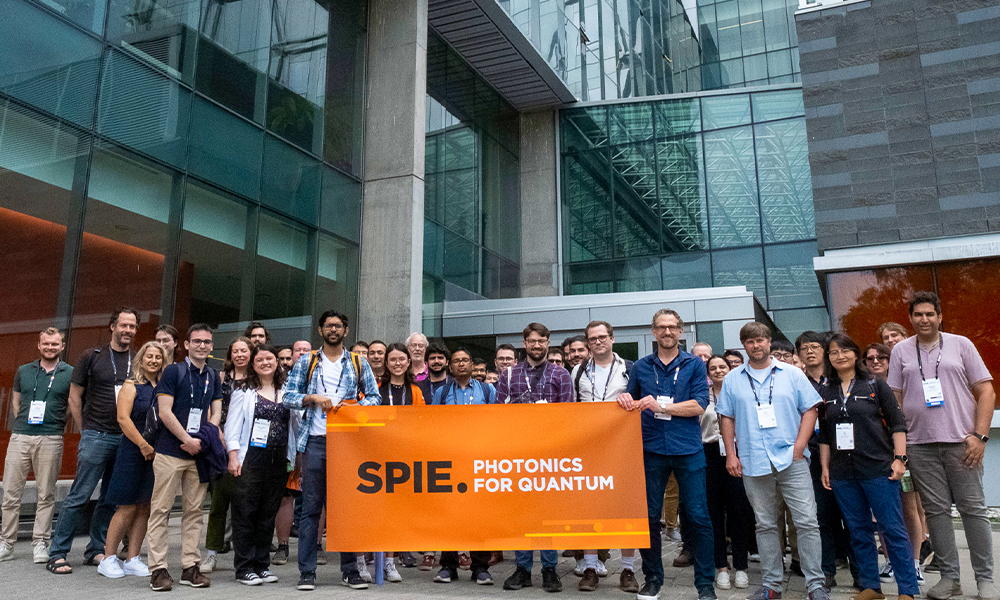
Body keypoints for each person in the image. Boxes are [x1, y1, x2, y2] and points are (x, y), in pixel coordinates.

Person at [887, 291, 998, 600]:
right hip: (920, 445)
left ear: (939, 316)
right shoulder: (901, 352)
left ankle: (985, 579)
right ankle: (950, 578)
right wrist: (901, 445)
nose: (924, 319)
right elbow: (894, 398)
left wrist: (980, 435)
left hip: (962, 443)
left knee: (973, 511)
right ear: (910, 318)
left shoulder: (961, 344)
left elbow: (986, 391)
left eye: (929, 314)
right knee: (935, 513)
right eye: (918, 315)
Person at [716, 321, 829, 600]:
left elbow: (811, 410)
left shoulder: (792, 374)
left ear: (769, 343)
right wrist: (731, 454)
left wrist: (800, 446)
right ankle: (772, 586)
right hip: (753, 460)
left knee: (807, 522)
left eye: (761, 340)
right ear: (745, 346)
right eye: (750, 342)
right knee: (765, 524)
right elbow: (726, 417)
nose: (756, 346)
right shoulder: (732, 379)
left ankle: (815, 584)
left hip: (792, 459)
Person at [614, 308, 715, 600]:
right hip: (651, 449)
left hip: (688, 449)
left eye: (672, 327)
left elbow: (699, 405)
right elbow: (631, 402)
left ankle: (705, 583)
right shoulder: (641, 367)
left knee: (698, 516)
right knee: (647, 517)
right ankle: (653, 579)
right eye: (661, 327)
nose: (667, 332)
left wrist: (663, 407)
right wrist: (624, 398)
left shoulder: (695, 365)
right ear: (654, 332)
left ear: (680, 331)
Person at [280, 310, 381, 592]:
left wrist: (355, 407)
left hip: (347, 443)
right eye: (328, 326)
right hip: (315, 441)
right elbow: (288, 396)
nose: (333, 330)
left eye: (338, 326)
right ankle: (307, 572)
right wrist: (311, 397)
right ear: (321, 330)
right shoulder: (307, 362)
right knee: (311, 508)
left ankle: (350, 571)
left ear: (345, 331)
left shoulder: (359, 363)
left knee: (345, 508)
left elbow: (376, 397)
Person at [818, 333, 919, 600]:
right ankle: (871, 587)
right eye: (833, 352)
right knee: (858, 532)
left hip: (877, 469)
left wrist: (900, 459)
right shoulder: (826, 391)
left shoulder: (875, 384)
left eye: (845, 351)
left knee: (893, 530)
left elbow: (898, 424)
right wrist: (825, 468)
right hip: (842, 473)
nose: (839, 356)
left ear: (855, 353)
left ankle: (907, 590)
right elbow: (826, 435)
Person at [47, 307, 138, 575]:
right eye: (123, 325)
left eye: (132, 327)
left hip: (126, 438)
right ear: (112, 326)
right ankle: (58, 553)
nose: (128, 331)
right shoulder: (92, 356)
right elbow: (75, 396)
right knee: (79, 495)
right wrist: (85, 428)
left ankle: (96, 549)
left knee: (110, 498)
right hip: (96, 434)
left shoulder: (137, 359)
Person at [147, 323, 224, 592]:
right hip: (170, 452)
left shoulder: (213, 376)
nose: (202, 345)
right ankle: (158, 569)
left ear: (212, 347)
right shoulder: (173, 371)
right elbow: (165, 411)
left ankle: (190, 567)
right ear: (186, 345)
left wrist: (204, 437)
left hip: (198, 454)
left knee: (194, 512)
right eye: (197, 341)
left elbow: (216, 413)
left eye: (207, 342)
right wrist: (186, 440)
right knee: (161, 510)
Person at [499, 323, 571, 593]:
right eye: (532, 341)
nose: (537, 345)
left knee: (549, 513)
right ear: (524, 343)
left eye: (542, 341)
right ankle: (522, 569)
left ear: (548, 342)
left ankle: (550, 569)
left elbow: (568, 417)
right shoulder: (508, 375)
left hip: (550, 454)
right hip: (518, 453)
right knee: (522, 513)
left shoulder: (560, 374)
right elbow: (499, 415)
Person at [571, 321, 637, 593]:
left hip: (623, 445)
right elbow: (572, 408)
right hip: (590, 446)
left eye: (602, 337)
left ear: (612, 338)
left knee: (626, 505)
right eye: (592, 339)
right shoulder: (577, 370)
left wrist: (631, 399)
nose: (597, 342)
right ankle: (589, 566)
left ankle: (628, 569)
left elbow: (640, 400)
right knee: (589, 505)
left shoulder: (631, 368)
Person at [1, 328, 72, 564]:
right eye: (46, 344)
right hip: (21, 435)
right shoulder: (23, 371)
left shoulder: (69, 373)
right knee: (11, 493)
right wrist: (24, 423)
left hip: (51, 437)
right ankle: (7, 542)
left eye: (55, 344)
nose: (50, 348)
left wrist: (59, 422)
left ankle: (40, 542)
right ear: (38, 345)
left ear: (62, 346)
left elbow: (72, 404)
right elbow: (16, 402)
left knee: (46, 493)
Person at [98, 341, 166, 578]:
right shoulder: (131, 384)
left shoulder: (164, 387)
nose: (154, 360)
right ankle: (107, 558)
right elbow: (123, 419)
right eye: (150, 356)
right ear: (141, 359)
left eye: (158, 357)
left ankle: (133, 558)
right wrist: (143, 445)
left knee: (144, 507)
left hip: (156, 453)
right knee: (126, 506)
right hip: (133, 450)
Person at [225, 344, 291, 586]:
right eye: (260, 359)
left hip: (278, 459)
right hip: (250, 458)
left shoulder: (286, 390)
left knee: (267, 514)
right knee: (245, 512)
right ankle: (244, 568)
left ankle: (262, 565)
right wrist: (233, 456)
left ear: (277, 362)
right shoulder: (243, 390)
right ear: (253, 364)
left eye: (270, 358)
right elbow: (232, 427)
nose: (265, 362)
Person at [795, 331, 856, 589]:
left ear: (825, 351)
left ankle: (861, 573)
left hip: (844, 455)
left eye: (815, 346)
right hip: (811, 457)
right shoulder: (796, 381)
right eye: (804, 348)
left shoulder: (838, 380)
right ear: (798, 354)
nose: (810, 351)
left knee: (852, 516)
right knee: (820, 517)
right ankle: (826, 570)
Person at [430, 348, 496, 585]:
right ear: (450, 366)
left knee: (479, 513)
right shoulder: (441, 392)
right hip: (450, 459)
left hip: (479, 458)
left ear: (472, 364)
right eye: (456, 361)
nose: (461, 364)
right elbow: (433, 425)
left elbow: (496, 422)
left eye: (465, 360)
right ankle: (448, 566)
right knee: (450, 512)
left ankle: (480, 567)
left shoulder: (488, 390)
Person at [203, 337, 252, 574]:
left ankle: (245, 556)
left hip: (250, 447)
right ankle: (211, 553)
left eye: (245, 350)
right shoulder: (220, 378)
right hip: (221, 445)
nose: (240, 355)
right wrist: (218, 432)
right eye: (236, 351)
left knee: (245, 505)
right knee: (218, 504)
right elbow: (212, 408)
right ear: (230, 355)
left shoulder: (257, 381)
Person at [703, 355, 751, 591]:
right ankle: (721, 567)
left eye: (723, 366)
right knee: (713, 513)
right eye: (713, 368)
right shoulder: (702, 395)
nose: (719, 370)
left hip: (737, 453)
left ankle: (741, 566)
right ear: (708, 373)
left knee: (738, 512)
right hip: (709, 454)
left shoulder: (740, 393)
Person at [379, 343, 427, 407]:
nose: (398, 363)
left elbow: (421, 415)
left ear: (408, 362)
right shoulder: (376, 389)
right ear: (386, 363)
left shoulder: (416, 392)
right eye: (393, 359)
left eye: (402, 359)